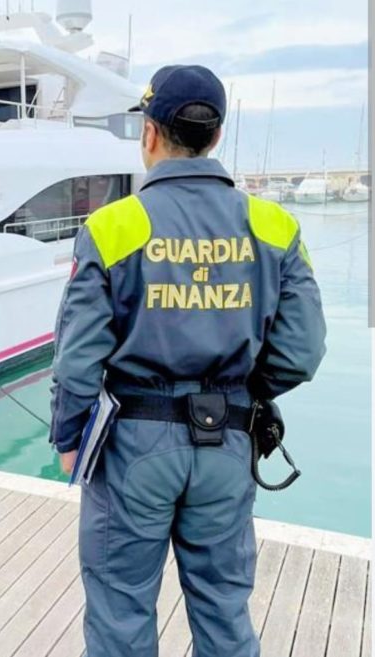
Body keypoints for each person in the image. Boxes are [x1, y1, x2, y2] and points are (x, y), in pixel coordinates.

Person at [49, 65, 327, 657]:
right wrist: (243, 393)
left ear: (150, 133)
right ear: (217, 135)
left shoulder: (111, 227)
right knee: (224, 613)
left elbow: (77, 359)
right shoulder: (275, 226)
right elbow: (302, 352)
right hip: (228, 439)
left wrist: (69, 436)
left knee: (120, 612)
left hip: (132, 447)